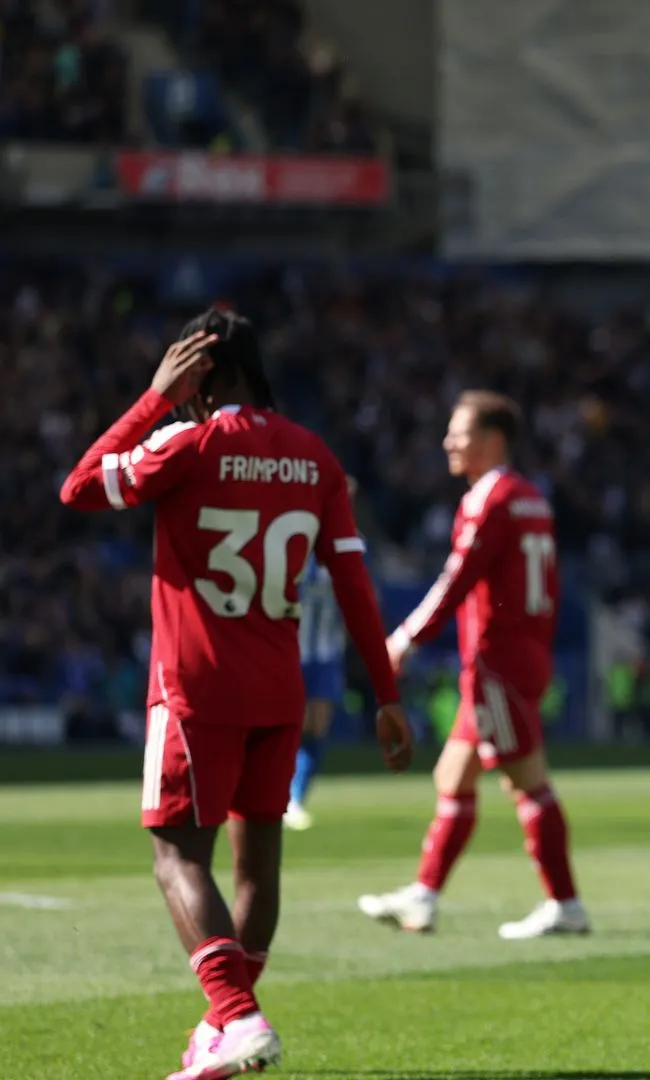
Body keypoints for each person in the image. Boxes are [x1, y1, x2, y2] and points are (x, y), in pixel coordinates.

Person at [58, 311, 412, 1080]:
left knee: (176, 858)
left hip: (195, 689)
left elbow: (80, 486)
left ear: (203, 374)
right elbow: (353, 583)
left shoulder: (189, 441)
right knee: (259, 868)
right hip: (278, 694)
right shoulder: (315, 458)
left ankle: (238, 1016)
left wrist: (152, 400)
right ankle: (225, 1027)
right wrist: (385, 696)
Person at [357, 390, 588, 939]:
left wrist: (406, 638)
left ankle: (566, 904)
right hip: (519, 653)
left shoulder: (490, 498)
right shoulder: (532, 496)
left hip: (497, 662)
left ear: (492, 439)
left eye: (458, 432)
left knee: (527, 782)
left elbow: (457, 579)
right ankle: (424, 897)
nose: (448, 442)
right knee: (452, 775)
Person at [285, 537, 347, 831]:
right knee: (290, 725)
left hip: (326, 652)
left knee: (317, 726)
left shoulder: (351, 545)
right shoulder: (293, 539)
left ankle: (295, 798)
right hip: (290, 650)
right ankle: (276, 792)